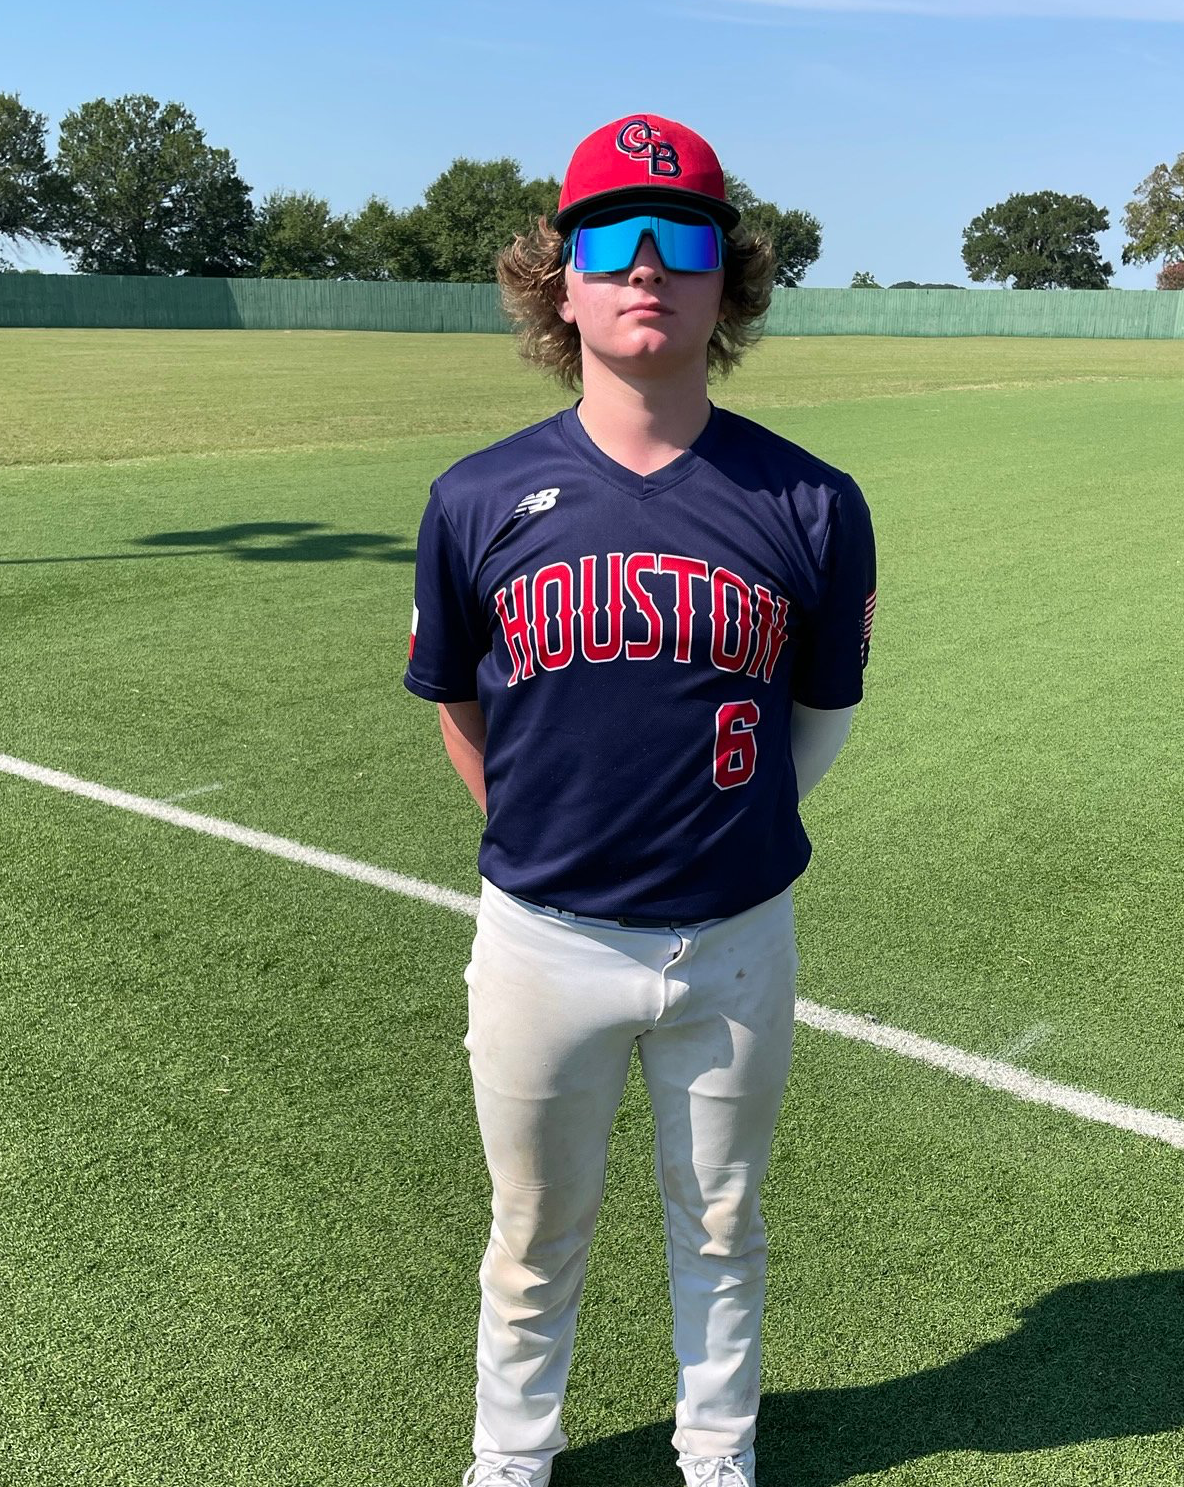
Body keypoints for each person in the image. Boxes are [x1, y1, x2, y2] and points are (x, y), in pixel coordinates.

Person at [404, 112, 876, 1487]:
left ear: (733, 283)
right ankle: (513, 1454)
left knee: (723, 1221)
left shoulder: (813, 502)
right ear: (561, 283)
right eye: (611, 240)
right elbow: (462, 706)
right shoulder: (476, 497)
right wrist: (548, 839)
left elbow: (819, 716)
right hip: (544, 937)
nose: (648, 267)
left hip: (735, 939)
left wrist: (726, 842)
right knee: (531, 1231)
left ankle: (717, 1449)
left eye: (686, 241)